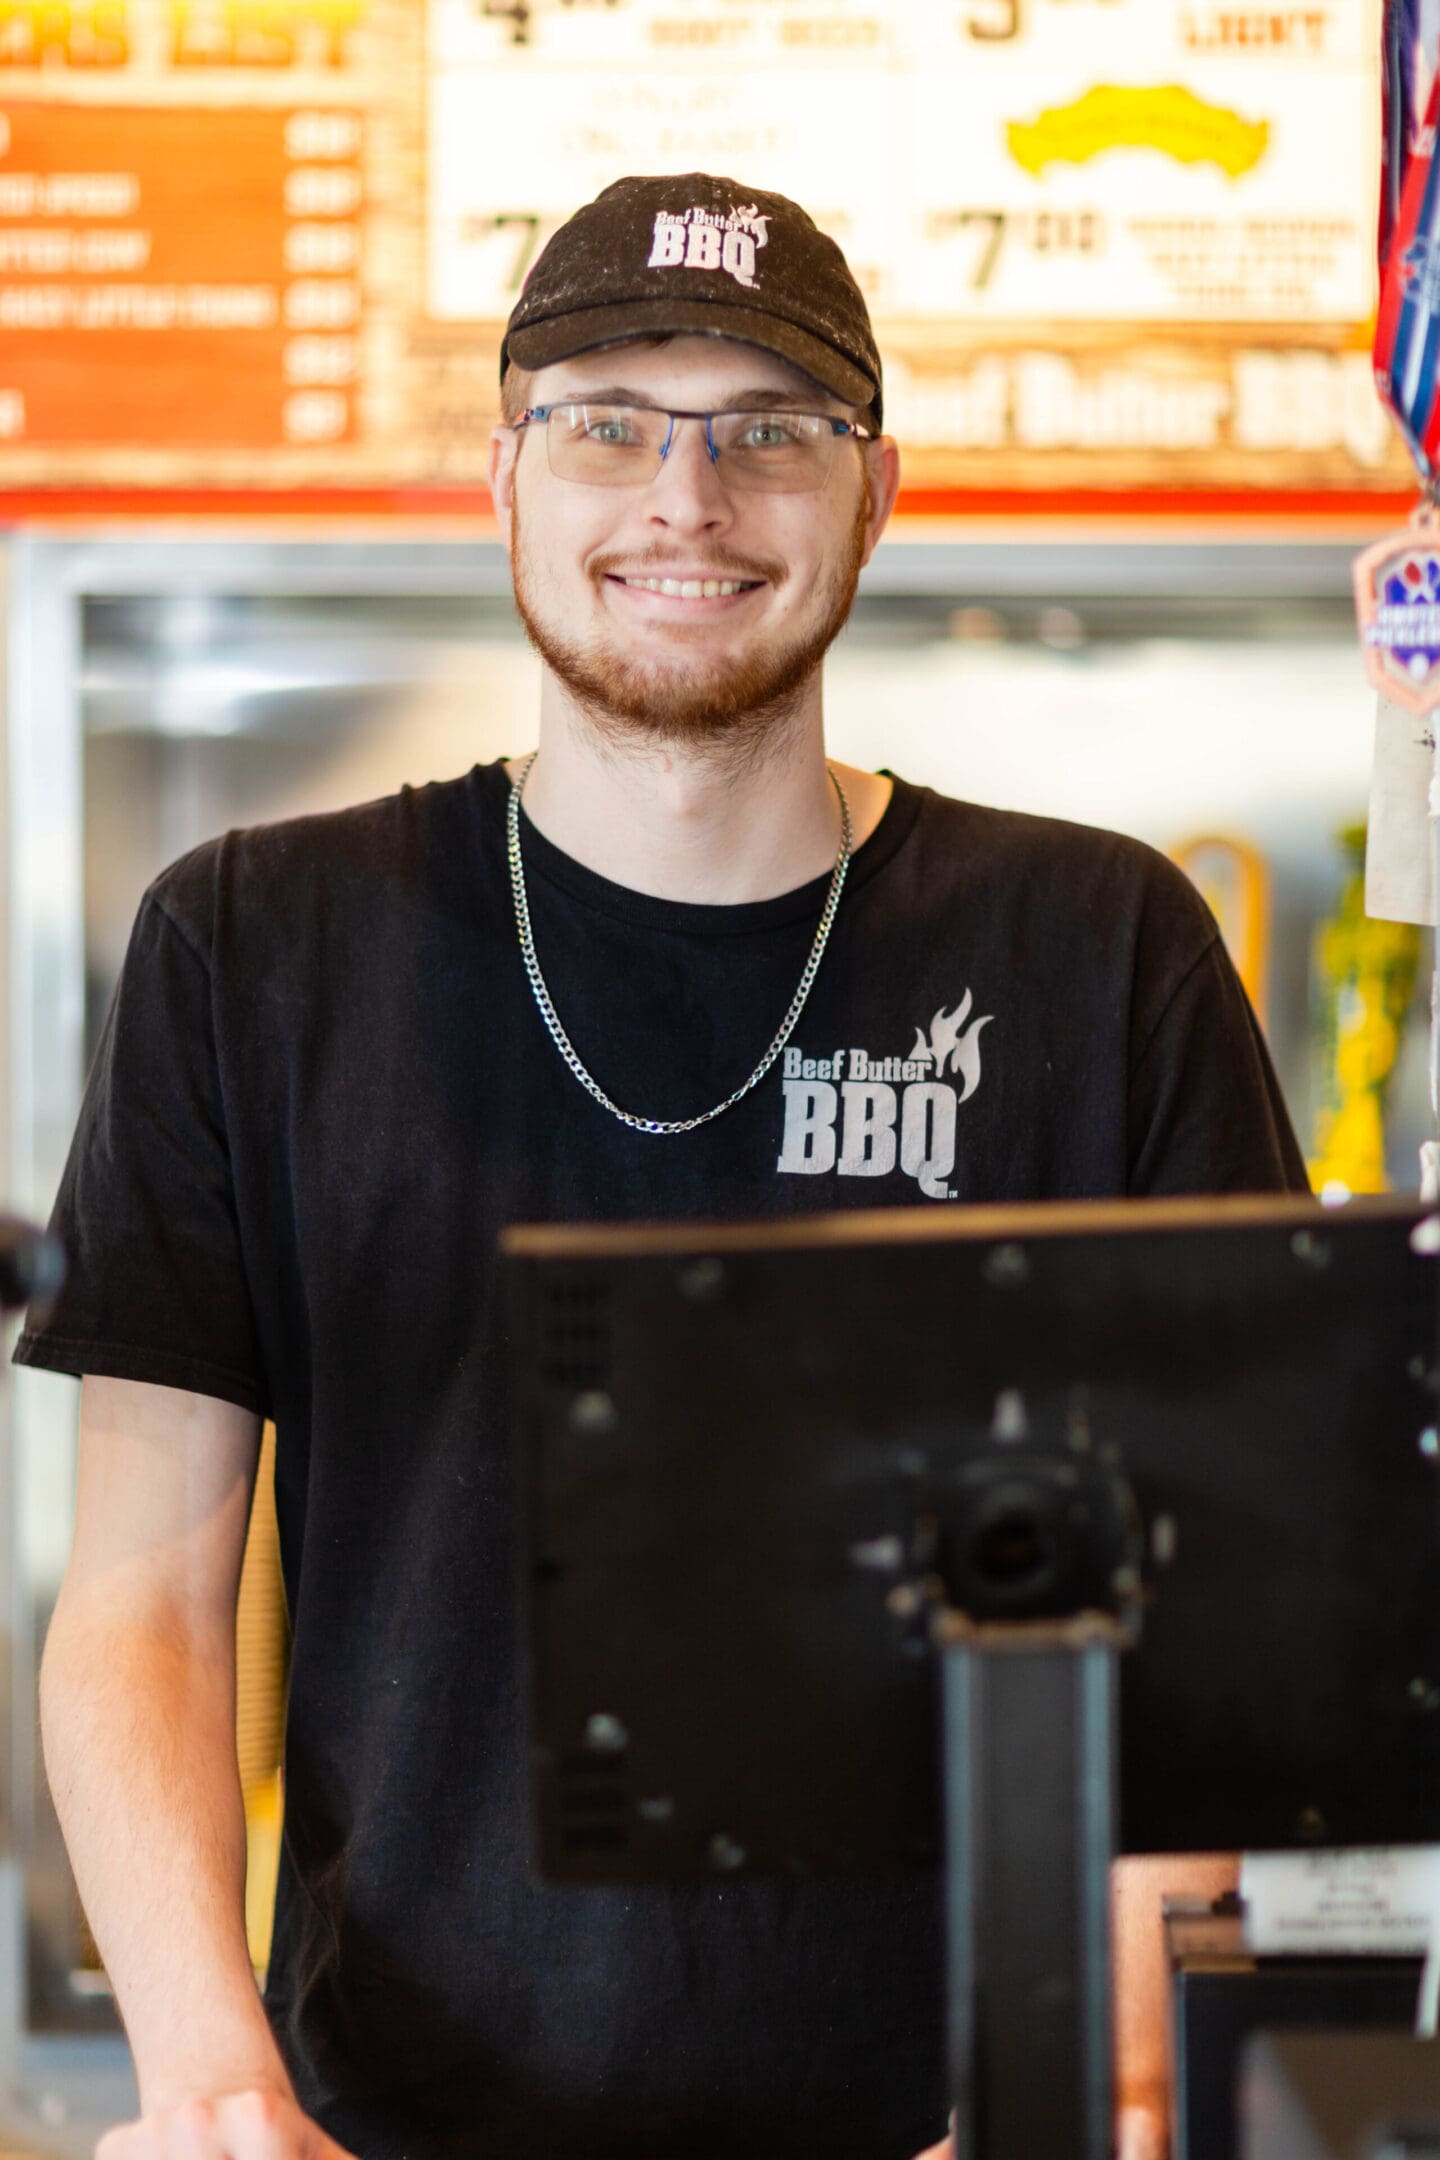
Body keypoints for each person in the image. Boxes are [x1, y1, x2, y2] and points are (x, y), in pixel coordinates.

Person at [16, 172, 1307, 2160]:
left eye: (766, 439)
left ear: (876, 494)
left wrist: (1099, 2071)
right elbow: (144, 1600)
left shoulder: (1098, 948)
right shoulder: (256, 945)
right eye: (609, 424)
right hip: (386, 2126)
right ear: (506, 478)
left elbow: (1216, 1607)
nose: (683, 507)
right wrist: (210, 2085)